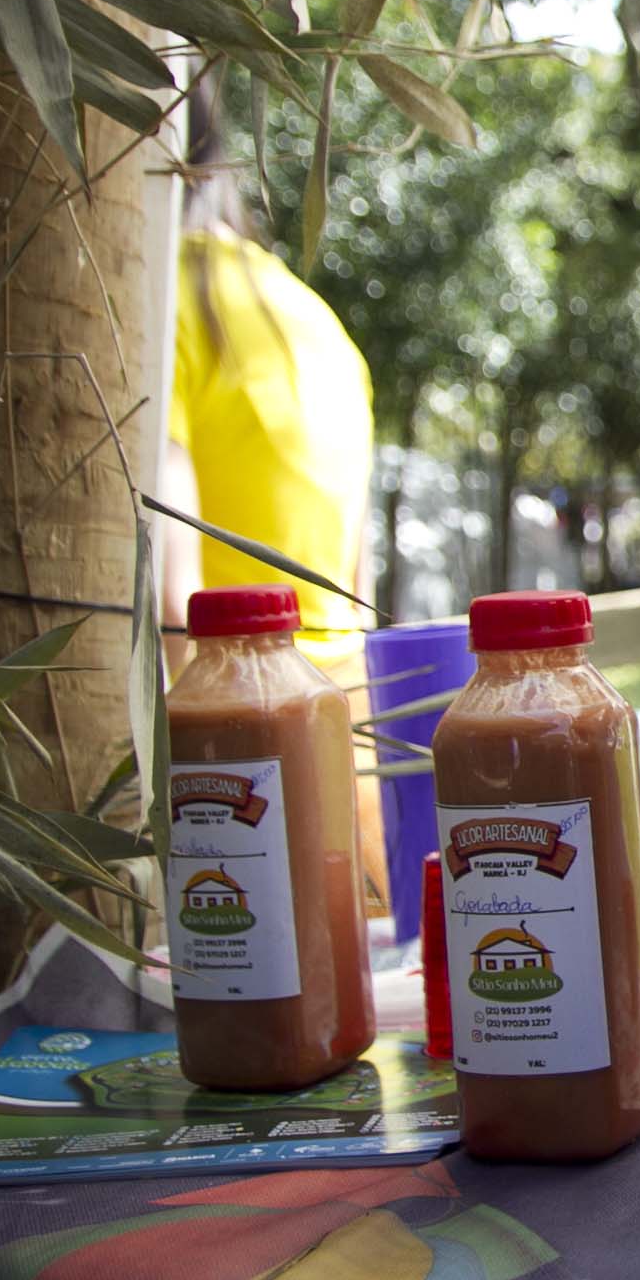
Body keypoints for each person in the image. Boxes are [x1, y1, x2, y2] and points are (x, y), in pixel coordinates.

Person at [159, 67, 385, 901]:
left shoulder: (158, 305)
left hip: (234, 779)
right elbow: (356, 592)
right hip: (348, 761)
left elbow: (172, 600)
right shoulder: (320, 322)